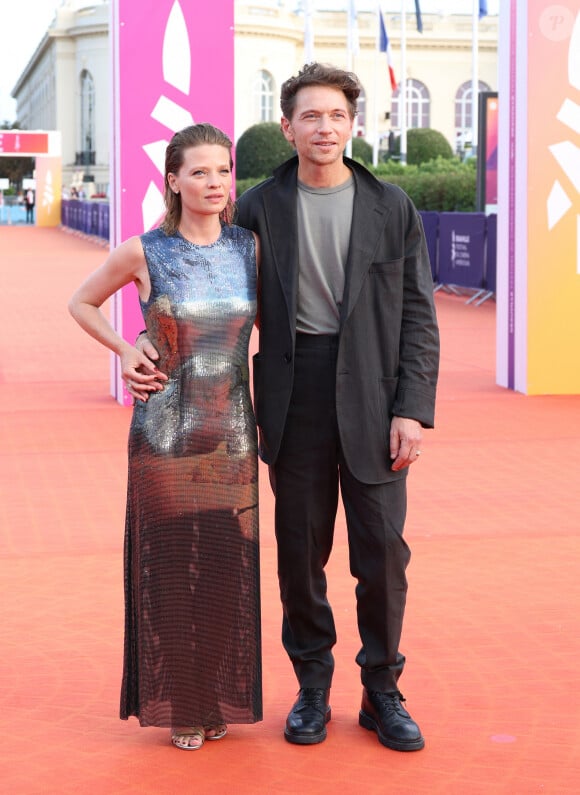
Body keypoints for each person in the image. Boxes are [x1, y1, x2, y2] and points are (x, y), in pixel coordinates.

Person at [136, 62, 439, 751]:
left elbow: (419, 315)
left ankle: (382, 690)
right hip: (291, 394)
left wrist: (412, 409)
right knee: (300, 554)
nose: (323, 127)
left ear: (352, 124)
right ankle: (312, 687)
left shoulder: (393, 206)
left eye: (335, 115)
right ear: (288, 127)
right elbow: (194, 267)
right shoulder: (258, 207)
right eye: (310, 116)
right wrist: (146, 339)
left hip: (374, 394)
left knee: (383, 555)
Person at [68, 123, 262, 751]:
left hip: (233, 433)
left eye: (223, 171)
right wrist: (126, 349)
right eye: (199, 172)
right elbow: (82, 303)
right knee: (174, 572)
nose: (214, 183)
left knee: (228, 571)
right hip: (166, 433)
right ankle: (185, 702)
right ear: (173, 180)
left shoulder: (250, 248)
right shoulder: (144, 251)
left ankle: (211, 695)